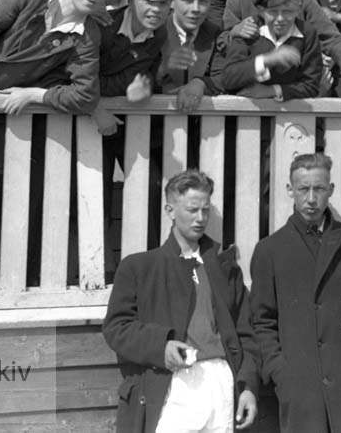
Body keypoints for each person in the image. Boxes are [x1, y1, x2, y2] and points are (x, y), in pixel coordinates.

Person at [103, 169, 260, 433]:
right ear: (170, 210)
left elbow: (246, 333)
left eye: (206, 210)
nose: (200, 218)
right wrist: (160, 346)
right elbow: (116, 328)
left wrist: (247, 386)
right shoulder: (140, 268)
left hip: (221, 380)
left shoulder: (225, 268)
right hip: (173, 384)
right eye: (192, 210)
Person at [249, 152, 341, 433]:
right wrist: (281, 372)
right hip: (301, 385)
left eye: (319, 189)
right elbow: (261, 322)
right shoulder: (269, 250)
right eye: (303, 189)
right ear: (290, 190)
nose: (311, 199)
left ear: (331, 190)